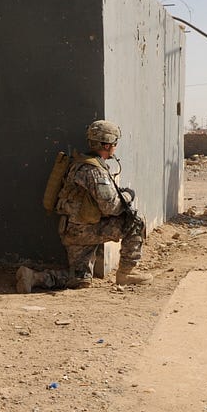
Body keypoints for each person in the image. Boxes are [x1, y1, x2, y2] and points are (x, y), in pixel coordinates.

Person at [16, 120, 153, 293]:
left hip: (71, 229)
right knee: (135, 222)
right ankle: (126, 273)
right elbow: (111, 207)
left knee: (80, 278)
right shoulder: (94, 170)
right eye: (115, 143)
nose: (115, 147)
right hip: (85, 230)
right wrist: (128, 196)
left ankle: (33, 277)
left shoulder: (78, 163)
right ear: (106, 145)